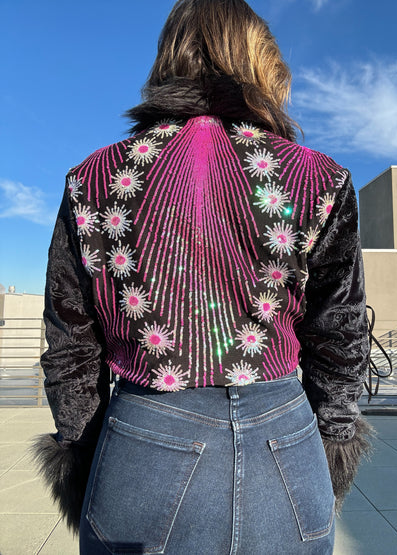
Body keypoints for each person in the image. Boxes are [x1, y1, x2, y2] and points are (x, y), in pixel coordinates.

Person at [32, 0, 373, 553]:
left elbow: (71, 343)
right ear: (260, 63)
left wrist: (87, 452)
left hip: (144, 440)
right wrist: (331, 446)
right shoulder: (317, 177)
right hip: (285, 444)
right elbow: (339, 336)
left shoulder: (95, 177)